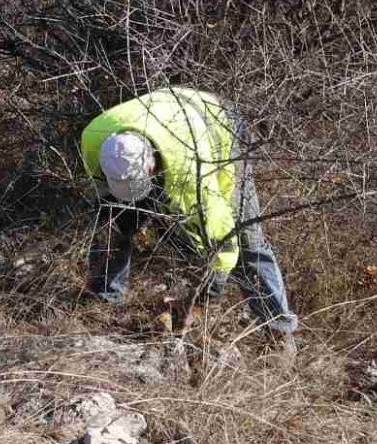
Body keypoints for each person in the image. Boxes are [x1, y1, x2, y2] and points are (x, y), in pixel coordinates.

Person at [79, 85, 299, 350]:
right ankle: (104, 298)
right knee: (115, 217)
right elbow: (105, 203)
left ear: (151, 166)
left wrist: (206, 295)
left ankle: (279, 334)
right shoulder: (93, 139)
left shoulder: (191, 172)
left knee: (246, 239)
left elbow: (223, 241)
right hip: (170, 114)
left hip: (219, 125)